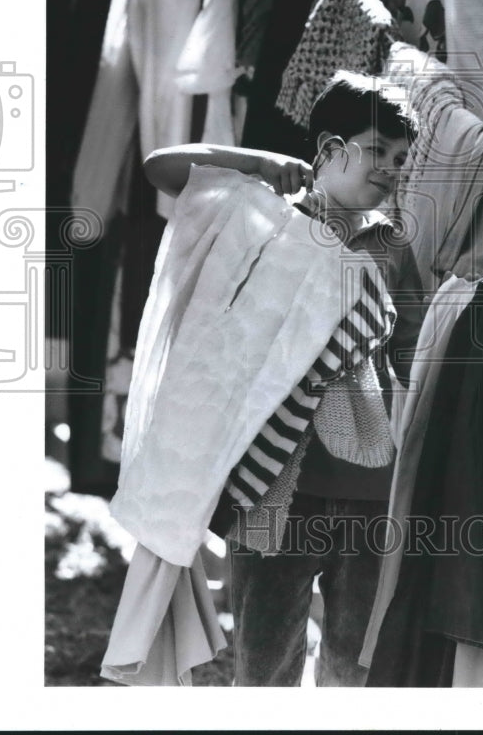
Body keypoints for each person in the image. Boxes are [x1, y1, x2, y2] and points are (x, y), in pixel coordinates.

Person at [142, 71, 427, 686]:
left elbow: (411, 358)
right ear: (328, 150)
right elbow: (163, 169)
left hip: (371, 489)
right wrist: (260, 161)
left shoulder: (397, 245)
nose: (390, 168)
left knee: (355, 666)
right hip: (274, 490)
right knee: (265, 663)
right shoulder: (266, 221)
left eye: (400, 158)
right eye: (376, 150)